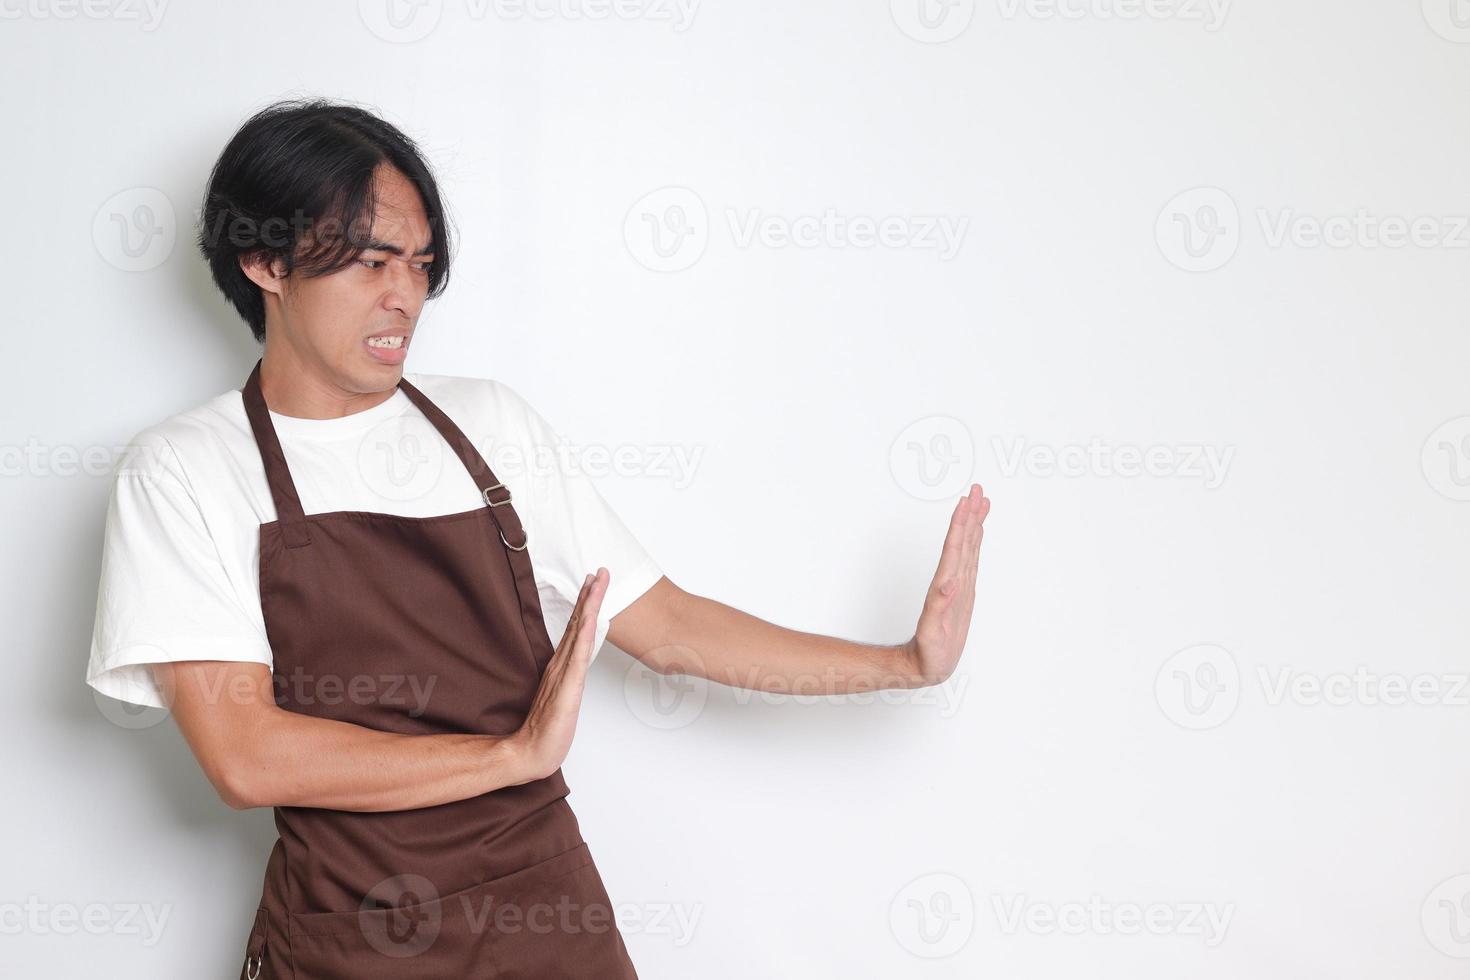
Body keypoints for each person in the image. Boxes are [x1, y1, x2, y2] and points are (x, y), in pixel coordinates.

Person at [84, 97, 990, 978]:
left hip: (547, 918)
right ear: (265, 264)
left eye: (420, 263)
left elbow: (668, 627)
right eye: (369, 263)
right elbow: (245, 755)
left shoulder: (491, 430)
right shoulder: (184, 470)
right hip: (352, 935)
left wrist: (902, 663)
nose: (404, 296)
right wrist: (510, 757)